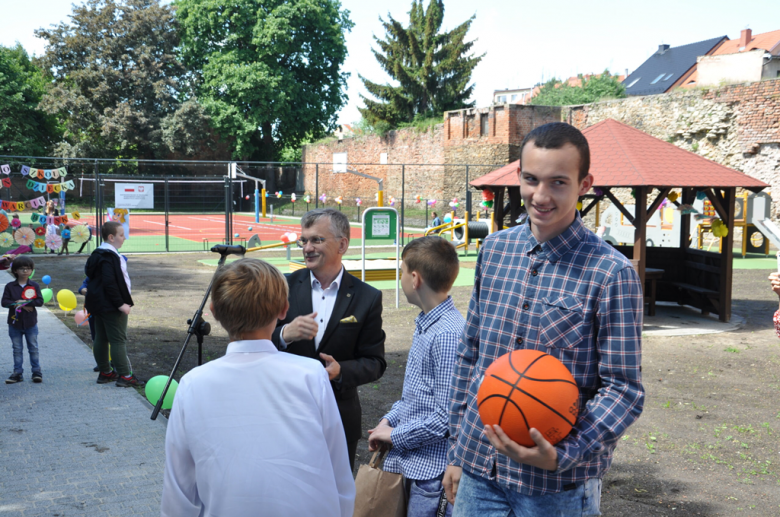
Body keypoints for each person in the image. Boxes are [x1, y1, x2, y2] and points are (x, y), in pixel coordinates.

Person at [444, 122, 645, 515]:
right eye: (532, 179)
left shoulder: (611, 273)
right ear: (518, 176)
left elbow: (624, 389)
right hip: (478, 470)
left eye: (558, 182)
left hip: (556, 487)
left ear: (585, 184)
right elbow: (471, 355)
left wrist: (563, 453)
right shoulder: (495, 250)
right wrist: (456, 450)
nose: (541, 195)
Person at [161, 258, 355, 516]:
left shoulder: (193, 383)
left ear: (214, 311)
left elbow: (179, 487)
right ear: (284, 309)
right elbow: (338, 467)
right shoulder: (310, 374)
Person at [272, 208, 386, 470]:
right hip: (284, 412)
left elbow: (375, 361)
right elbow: (254, 341)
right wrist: (283, 334)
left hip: (338, 417)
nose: (307, 248)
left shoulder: (367, 297)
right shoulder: (281, 286)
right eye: (304, 240)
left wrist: (340, 371)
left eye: (317, 240)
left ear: (342, 244)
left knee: (335, 498)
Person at [368, 236, 464, 517]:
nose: (400, 279)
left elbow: (446, 417)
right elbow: (417, 394)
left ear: (414, 278)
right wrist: (389, 420)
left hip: (430, 477)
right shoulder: (427, 323)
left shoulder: (447, 334)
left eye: (401, 272)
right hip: (412, 467)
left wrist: (395, 435)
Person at [84, 221, 144, 387]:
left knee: (101, 338)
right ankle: (125, 375)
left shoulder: (96, 254)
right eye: (121, 235)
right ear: (111, 237)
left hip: (97, 304)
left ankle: (105, 372)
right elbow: (111, 283)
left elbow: (90, 275)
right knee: (118, 340)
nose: (124, 238)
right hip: (111, 305)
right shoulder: (111, 257)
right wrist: (120, 304)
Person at [2, 256, 44, 384]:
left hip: (31, 323)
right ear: (15, 270)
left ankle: (36, 372)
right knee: (17, 349)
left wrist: (25, 303)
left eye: (28, 268)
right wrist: (17, 304)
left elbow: (40, 301)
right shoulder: (10, 286)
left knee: (33, 347)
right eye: (21, 268)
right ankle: (17, 373)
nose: (25, 271)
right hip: (14, 323)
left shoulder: (34, 285)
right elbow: (4, 302)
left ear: (32, 270)